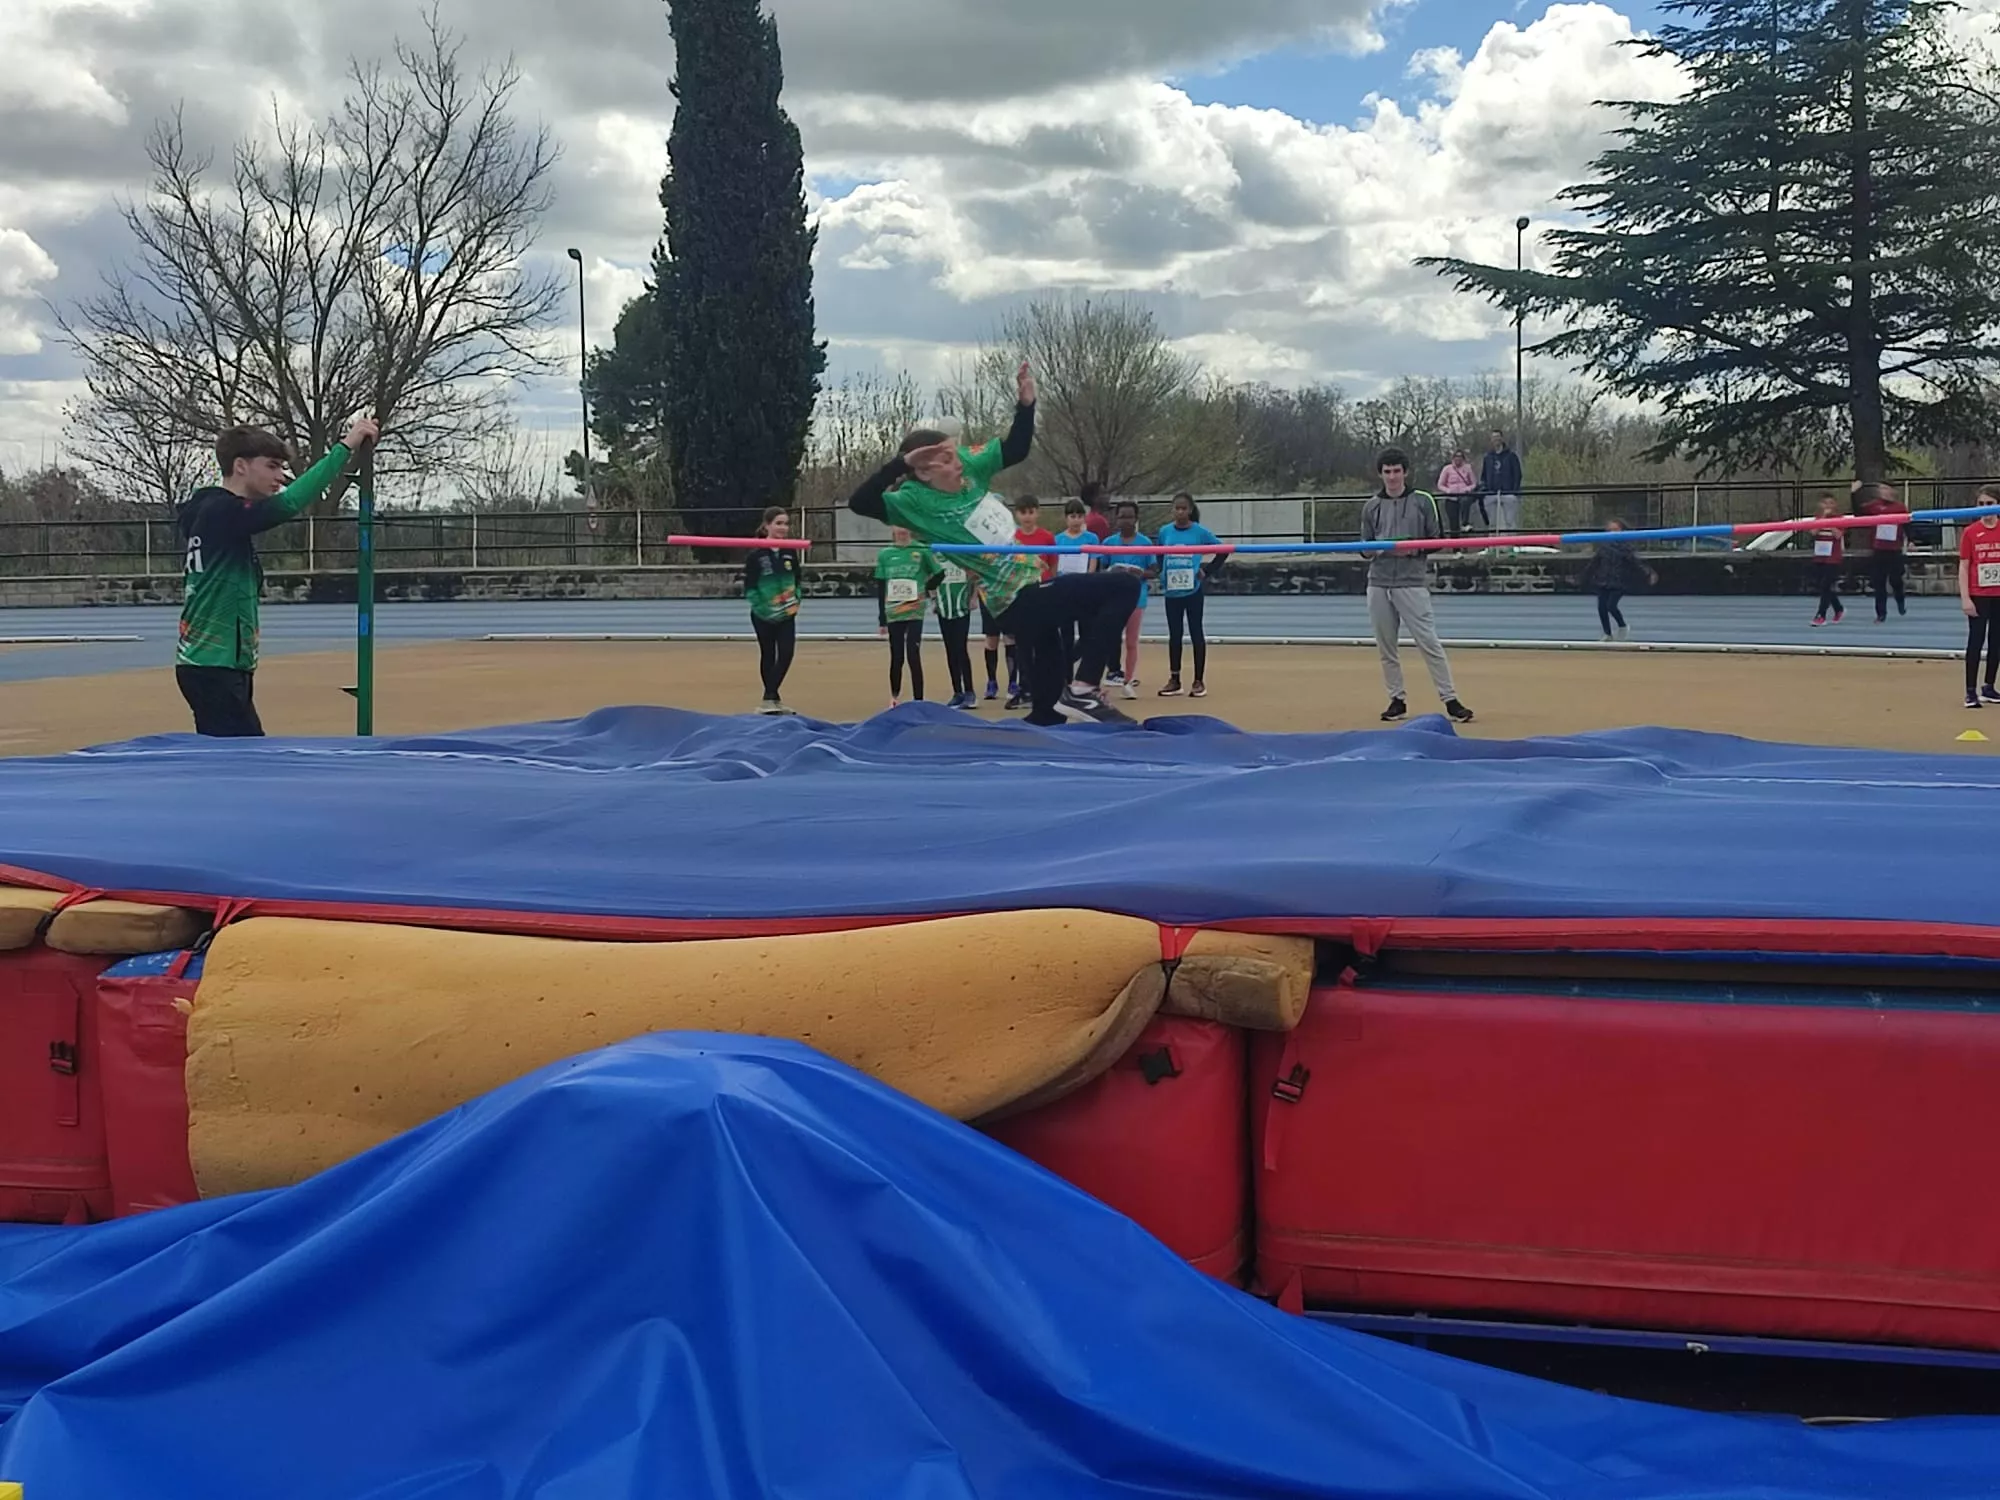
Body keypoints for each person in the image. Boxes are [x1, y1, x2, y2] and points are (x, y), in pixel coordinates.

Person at [845, 362, 1141, 726]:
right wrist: (898, 464)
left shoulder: (970, 464)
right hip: (1014, 598)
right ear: (923, 471)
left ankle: (1055, 716)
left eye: (956, 454)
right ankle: (1083, 688)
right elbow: (859, 502)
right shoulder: (911, 502)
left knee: (1049, 715)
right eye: (947, 460)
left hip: (1033, 584)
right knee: (1124, 586)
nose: (958, 463)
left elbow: (1015, 448)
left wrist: (1027, 404)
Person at [175, 414, 379, 736]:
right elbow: (290, 502)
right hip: (215, 666)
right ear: (241, 466)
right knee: (243, 762)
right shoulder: (221, 512)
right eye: (271, 466)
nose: (280, 476)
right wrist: (346, 446)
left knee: (228, 761)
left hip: (215, 665)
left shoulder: (211, 512)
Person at [1361, 448, 1475, 725]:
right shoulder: (1371, 506)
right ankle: (1396, 700)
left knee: (1429, 643)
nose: (1392, 477)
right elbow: (1364, 547)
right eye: (1387, 472)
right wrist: (1374, 551)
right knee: (1386, 647)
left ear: (1405, 472)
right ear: (1381, 474)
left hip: (1411, 582)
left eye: (1397, 471)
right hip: (1379, 581)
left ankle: (1450, 700)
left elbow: (1437, 540)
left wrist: (1410, 550)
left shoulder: (1423, 501)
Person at [1156, 492, 1221, 698]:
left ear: (1190, 510)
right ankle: (1174, 679)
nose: (1180, 512)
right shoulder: (1165, 531)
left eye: (1184, 508)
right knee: (1174, 635)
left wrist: (1207, 571)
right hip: (1172, 592)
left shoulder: (1199, 532)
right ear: (1172, 509)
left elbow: (1223, 549)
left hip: (1193, 591)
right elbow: (1159, 554)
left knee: (1196, 633)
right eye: (1177, 508)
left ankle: (1198, 680)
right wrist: (1162, 572)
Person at [875, 525, 942, 706]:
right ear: (892, 528)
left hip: (914, 610)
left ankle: (918, 699)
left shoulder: (921, 550)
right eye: (898, 526)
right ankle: (894, 696)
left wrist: (926, 589)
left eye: (904, 526)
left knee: (913, 654)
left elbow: (939, 573)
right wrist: (882, 618)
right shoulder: (885, 554)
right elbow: (881, 588)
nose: (901, 530)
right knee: (897, 656)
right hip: (894, 612)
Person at [744, 506, 802, 714]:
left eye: (786, 523)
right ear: (767, 525)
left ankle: (769, 697)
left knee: (786, 653)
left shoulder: (789, 551)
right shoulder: (756, 554)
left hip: (787, 613)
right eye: (778, 523)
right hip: (763, 615)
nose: (783, 528)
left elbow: (797, 579)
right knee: (768, 654)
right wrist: (763, 608)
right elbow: (749, 587)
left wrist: (797, 600)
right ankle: (772, 700)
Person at [1005, 496, 1058, 707]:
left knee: (1044, 642)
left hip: (1042, 593)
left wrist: (1051, 587)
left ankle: (1047, 687)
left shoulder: (1046, 537)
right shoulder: (1012, 538)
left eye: (1031, 512)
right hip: (1020, 595)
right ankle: (1025, 688)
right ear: (1017, 515)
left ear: (1037, 513)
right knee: (1022, 644)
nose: (1027, 517)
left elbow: (1052, 565)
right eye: (1023, 512)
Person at [1101, 499, 1154, 699]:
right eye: (1122, 516)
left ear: (1136, 519)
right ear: (1116, 518)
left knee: (1132, 642)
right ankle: (1104, 678)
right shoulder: (1108, 543)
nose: (1126, 521)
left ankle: (1128, 680)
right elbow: (1100, 568)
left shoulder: (1145, 543)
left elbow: (1153, 570)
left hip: (1136, 598)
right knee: (1107, 639)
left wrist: (1139, 573)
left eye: (1130, 517)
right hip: (1113, 598)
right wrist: (1112, 571)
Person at [1582, 519, 1656, 642]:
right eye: (1610, 530)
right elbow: (1593, 564)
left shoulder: (1625, 547)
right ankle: (1607, 634)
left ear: (1622, 531)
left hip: (1619, 581)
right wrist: (1582, 576)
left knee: (1611, 606)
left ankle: (1622, 626)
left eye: (1615, 530)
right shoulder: (1603, 547)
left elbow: (1636, 562)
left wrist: (1648, 572)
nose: (1612, 532)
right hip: (1603, 580)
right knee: (1601, 608)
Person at [1959, 484, 2000, 709]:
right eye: (1981, 504)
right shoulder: (1971, 532)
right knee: (1976, 641)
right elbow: (1964, 567)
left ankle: (1989, 686)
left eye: (1990, 504)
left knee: (1997, 643)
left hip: (1999, 594)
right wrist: (1965, 598)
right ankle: (1970, 691)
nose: (1985, 508)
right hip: (1979, 594)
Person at [1051, 499, 1100, 673]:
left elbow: (1093, 562)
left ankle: (1082, 672)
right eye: (1072, 516)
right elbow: (1054, 566)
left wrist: (1088, 580)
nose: (1076, 520)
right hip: (1065, 591)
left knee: (1087, 634)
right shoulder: (1058, 539)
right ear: (1066, 518)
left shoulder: (1091, 538)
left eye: (1080, 516)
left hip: (1085, 589)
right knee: (1066, 635)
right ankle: (1066, 675)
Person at [1854, 481, 1908, 623]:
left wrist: (1912, 540)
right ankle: (1881, 614)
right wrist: (1854, 493)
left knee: (1896, 580)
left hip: (1894, 550)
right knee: (1879, 583)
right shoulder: (1874, 506)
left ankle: (1900, 600)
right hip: (1878, 550)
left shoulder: (1900, 507)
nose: (1883, 492)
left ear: (1893, 491)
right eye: (1881, 489)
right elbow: (1858, 513)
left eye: (1886, 489)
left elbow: (1908, 525)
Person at [934, 552, 979, 710]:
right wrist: (933, 598)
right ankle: (957, 692)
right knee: (950, 651)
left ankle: (969, 692)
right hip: (943, 610)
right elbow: (930, 579)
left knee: (961, 649)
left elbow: (975, 576)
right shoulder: (936, 555)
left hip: (961, 609)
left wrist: (973, 598)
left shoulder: (960, 554)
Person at [1808, 494, 1846, 626]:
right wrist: (1823, 518)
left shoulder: (1840, 519)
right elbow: (1813, 532)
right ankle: (1838, 608)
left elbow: (1839, 535)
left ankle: (1821, 615)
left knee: (1826, 585)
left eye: (1831, 503)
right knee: (1823, 586)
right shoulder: (1818, 518)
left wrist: (1831, 524)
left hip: (1833, 557)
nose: (1828, 506)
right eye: (1825, 503)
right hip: (1820, 555)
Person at [1479, 431, 1523, 534]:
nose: (1496, 440)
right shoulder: (1488, 457)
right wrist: (1486, 489)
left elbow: (1517, 474)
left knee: (1510, 522)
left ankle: (1512, 546)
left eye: (1498, 437)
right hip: (1491, 493)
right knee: (1492, 523)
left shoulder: (1511, 456)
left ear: (1502, 439)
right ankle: (1492, 547)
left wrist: (1514, 491)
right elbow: (1484, 475)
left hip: (1508, 493)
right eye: (1493, 437)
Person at [1436, 449, 1479, 537]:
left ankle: (1465, 542)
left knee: (1464, 517)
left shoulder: (1468, 468)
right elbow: (1440, 484)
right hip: (1451, 498)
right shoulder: (1447, 469)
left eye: (1460, 457)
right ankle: (1456, 548)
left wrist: (1467, 489)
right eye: (1456, 457)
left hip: (1464, 497)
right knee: (1453, 523)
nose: (1458, 459)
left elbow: (1474, 483)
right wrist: (1448, 491)